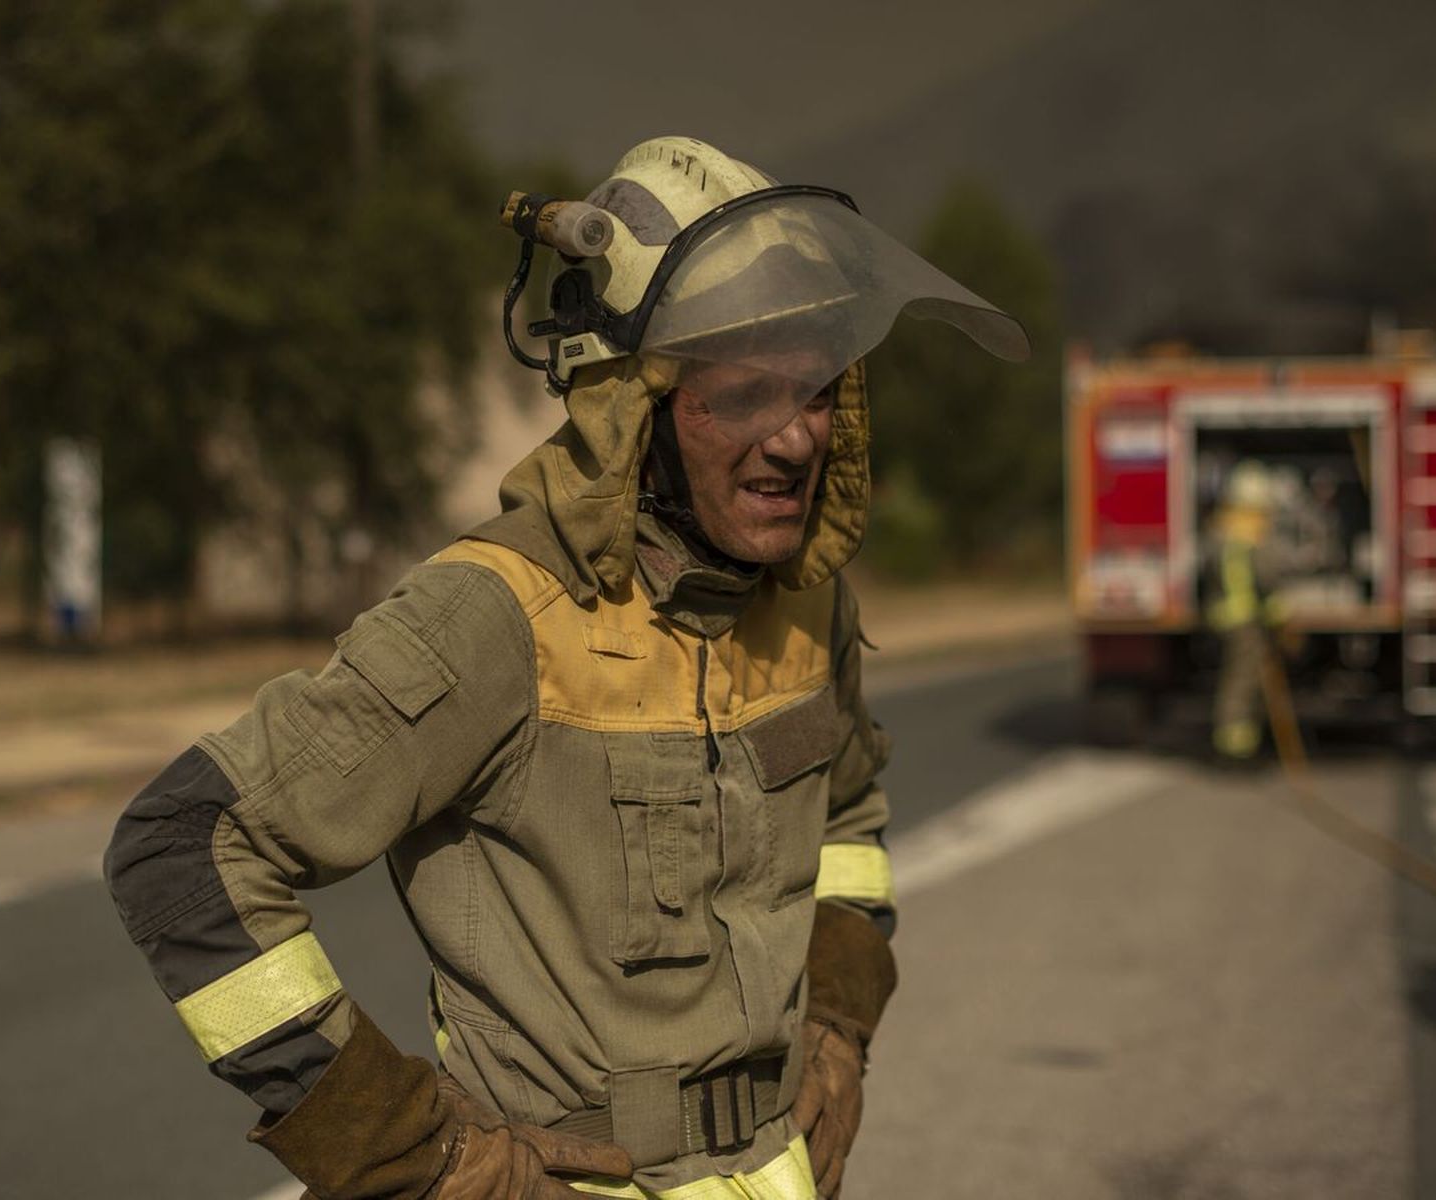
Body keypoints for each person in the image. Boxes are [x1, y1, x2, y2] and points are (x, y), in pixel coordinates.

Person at [105, 135, 1028, 1199]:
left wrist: (838, 1024)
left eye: (817, 390)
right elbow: (187, 844)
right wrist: (407, 1155)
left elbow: (850, 825)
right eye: (742, 396)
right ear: (631, 406)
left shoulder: (810, 605)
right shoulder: (497, 616)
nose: (794, 439)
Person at [1204, 460, 1288, 762]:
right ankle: (1235, 748)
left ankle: (1239, 740)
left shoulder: (1221, 528)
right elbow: (1265, 580)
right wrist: (1279, 616)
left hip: (1224, 616)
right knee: (1241, 681)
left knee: (1237, 678)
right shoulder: (1253, 533)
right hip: (1244, 621)